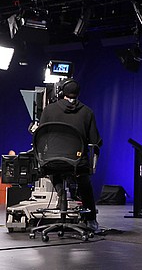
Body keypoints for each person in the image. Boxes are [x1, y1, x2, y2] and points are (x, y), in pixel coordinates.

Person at [38, 78, 102, 230]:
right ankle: (90, 219)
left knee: (54, 171)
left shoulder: (48, 110)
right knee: (84, 182)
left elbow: (40, 137)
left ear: (61, 92)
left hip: (52, 161)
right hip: (77, 163)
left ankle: (61, 192)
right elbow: (95, 141)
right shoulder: (87, 112)